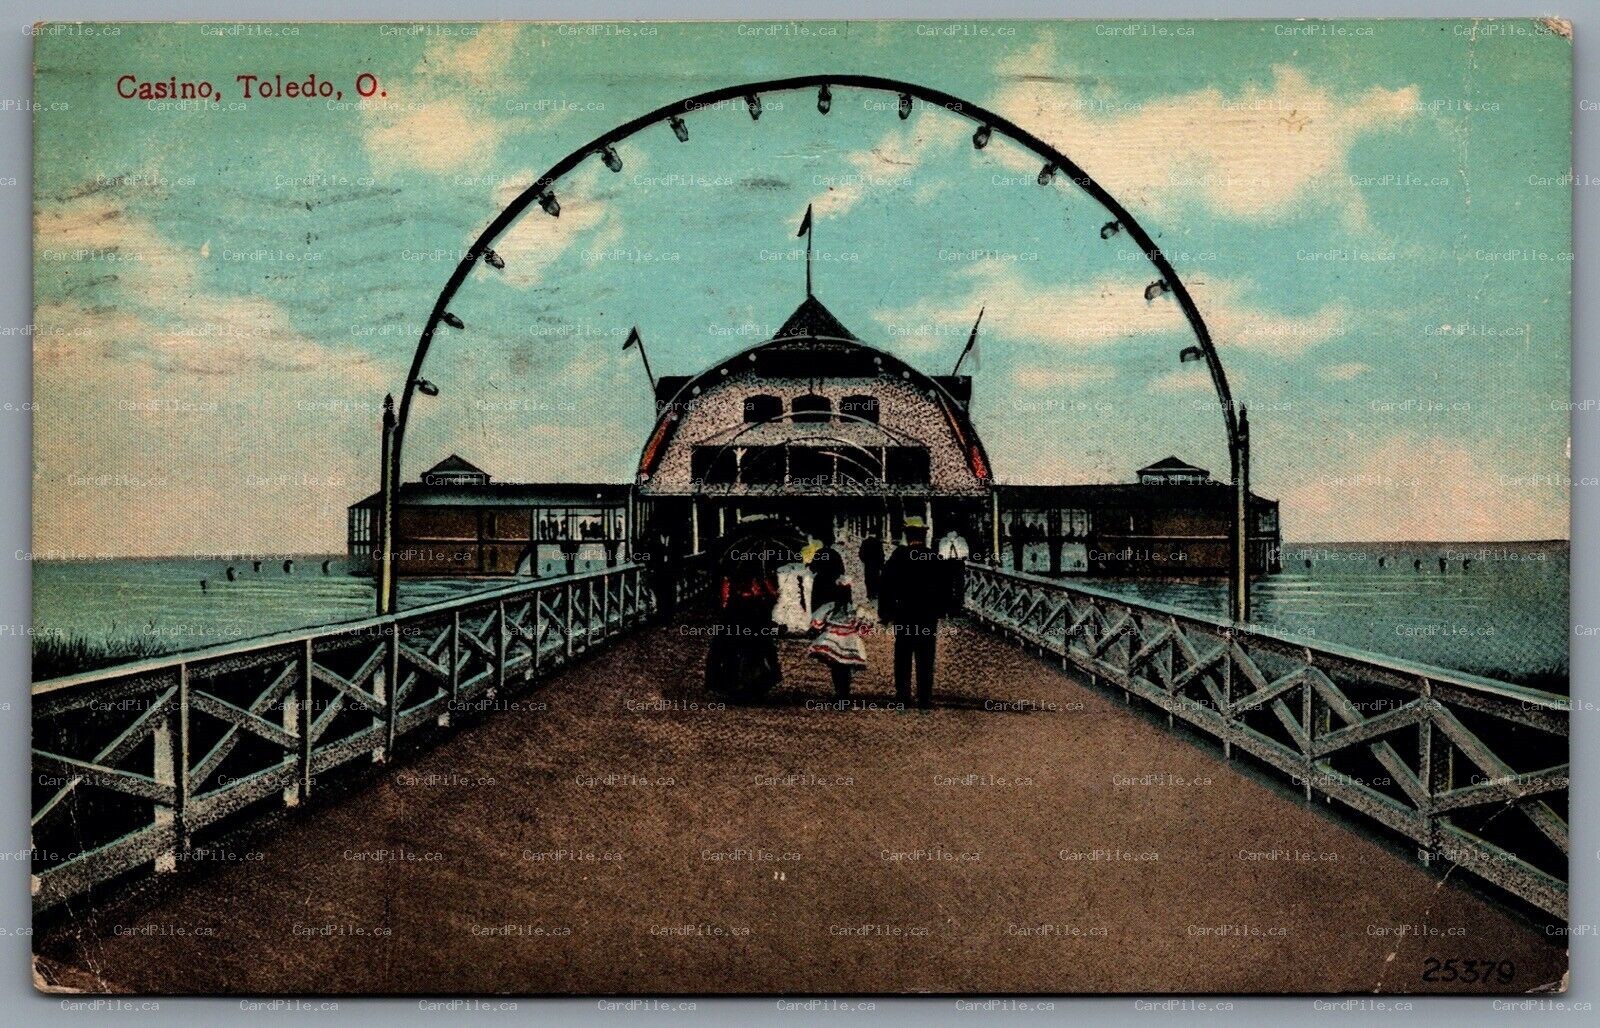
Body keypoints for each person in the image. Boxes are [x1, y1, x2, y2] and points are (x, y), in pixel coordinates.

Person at [878, 517, 954, 710]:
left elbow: (885, 586)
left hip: (904, 613)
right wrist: (944, 610)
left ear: (906, 534)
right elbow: (946, 587)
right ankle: (924, 698)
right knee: (926, 656)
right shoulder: (933, 557)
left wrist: (885, 614)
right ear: (924, 534)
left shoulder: (898, 556)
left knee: (902, 654)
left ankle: (902, 697)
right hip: (927, 615)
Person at [705, 552, 781, 702]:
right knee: (757, 651)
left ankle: (732, 684)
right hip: (751, 620)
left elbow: (724, 602)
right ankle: (750, 684)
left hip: (736, 620)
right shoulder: (758, 579)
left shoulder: (730, 580)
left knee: (729, 653)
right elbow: (772, 596)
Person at [808, 578, 872, 700]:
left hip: (831, 640)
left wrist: (819, 628)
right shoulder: (856, 610)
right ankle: (844, 692)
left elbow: (817, 623)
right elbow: (864, 629)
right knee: (845, 668)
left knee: (836, 668)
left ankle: (839, 691)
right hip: (850, 641)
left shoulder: (829, 607)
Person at [808, 534, 845, 612]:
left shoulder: (819, 552)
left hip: (820, 580)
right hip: (832, 580)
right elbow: (841, 569)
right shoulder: (835, 553)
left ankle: (818, 619)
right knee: (831, 601)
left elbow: (812, 568)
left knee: (819, 602)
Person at [858, 531, 885, 600]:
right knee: (876, 578)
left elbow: (861, 553)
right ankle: (875, 593)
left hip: (868, 564)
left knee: (868, 579)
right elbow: (881, 554)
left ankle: (869, 594)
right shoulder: (878, 542)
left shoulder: (865, 542)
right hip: (876, 564)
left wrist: (865, 561)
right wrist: (881, 564)